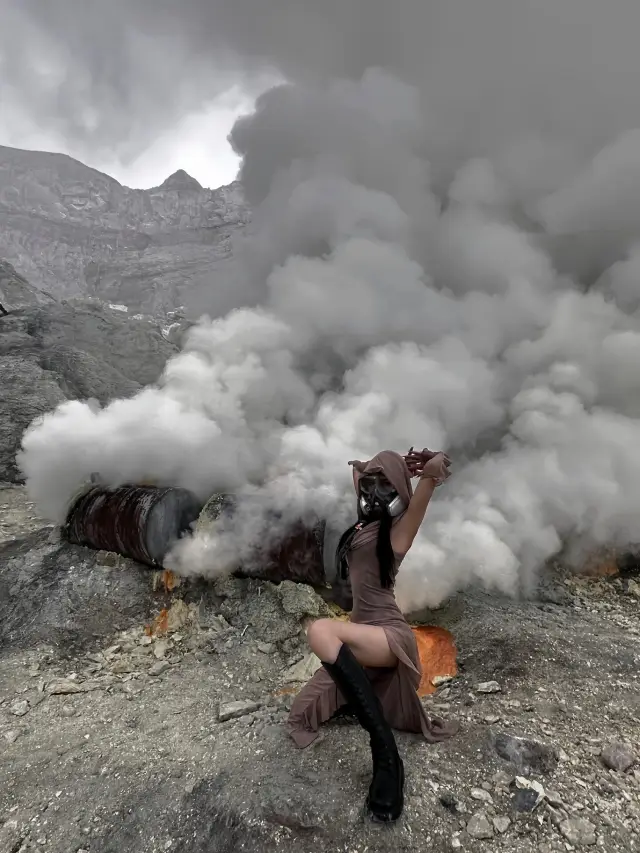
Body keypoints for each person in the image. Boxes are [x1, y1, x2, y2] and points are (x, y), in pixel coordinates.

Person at [287, 448, 459, 823]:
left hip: (387, 636)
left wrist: (425, 473)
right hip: (363, 635)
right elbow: (360, 478)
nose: (375, 493)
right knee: (304, 710)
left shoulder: (398, 533)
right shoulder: (363, 526)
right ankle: (364, 697)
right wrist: (382, 469)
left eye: (386, 485)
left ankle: (386, 756)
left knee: (319, 630)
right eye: (370, 486)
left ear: (399, 488)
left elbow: (431, 480)